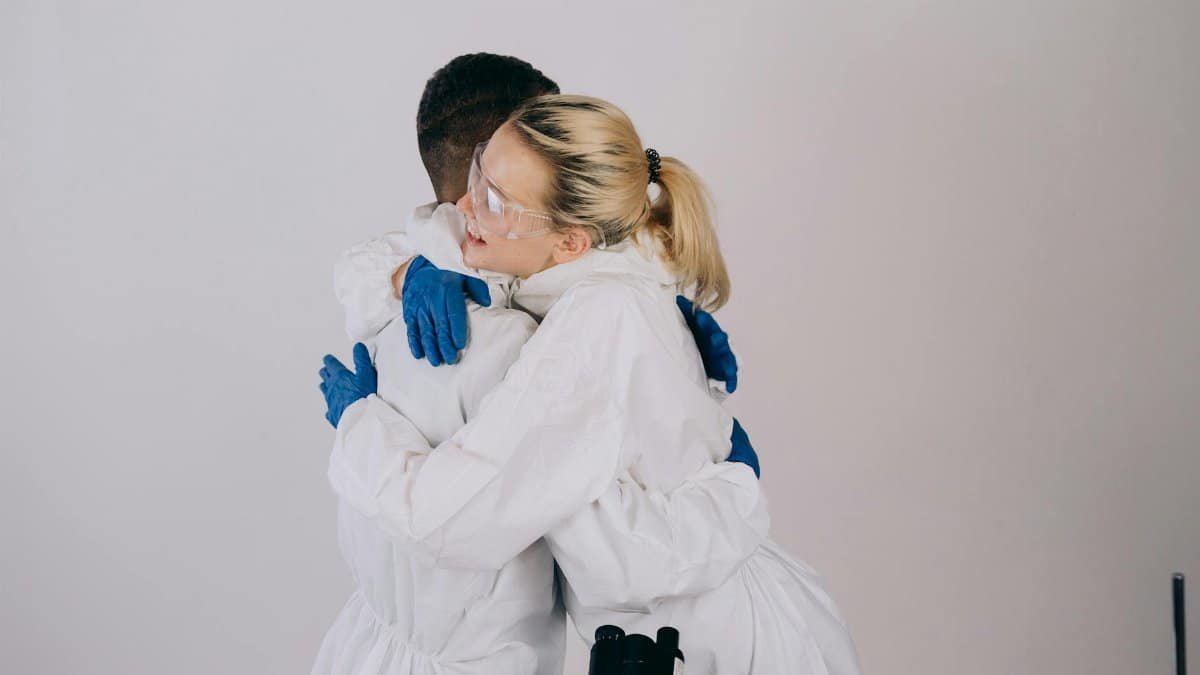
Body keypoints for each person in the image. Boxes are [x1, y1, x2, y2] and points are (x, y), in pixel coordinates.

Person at [320, 93, 861, 674]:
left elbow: (448, 521)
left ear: (572, 240)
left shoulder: (593, 328)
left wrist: (359, 424)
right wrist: (405, 272)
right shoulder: (596, 253)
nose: (465, 207)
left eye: (495, 199)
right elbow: (425, 234)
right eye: (479, 172)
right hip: (684, 631)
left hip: (727, 650)